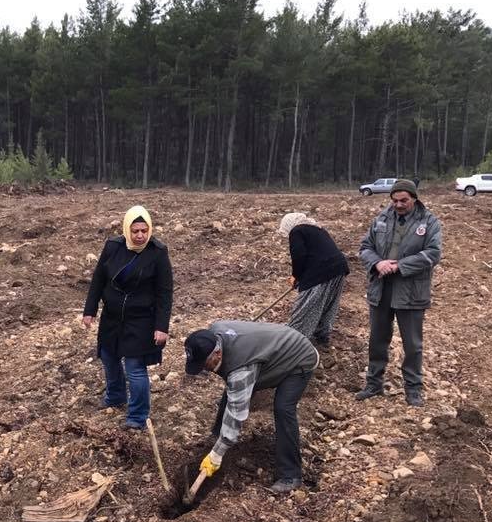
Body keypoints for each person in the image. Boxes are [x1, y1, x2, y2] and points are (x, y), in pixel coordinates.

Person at [184, 321, 318, 494]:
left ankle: (290, 475)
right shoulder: (213, 332)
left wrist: (218, 453)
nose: (204, 370)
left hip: (298, 358)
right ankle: (216, 437)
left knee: (283, 408)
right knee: (233, 390)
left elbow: (236, 413)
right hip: (268, 354)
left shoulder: (240, 369)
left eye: (204, 365)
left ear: (217, 353)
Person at [82, 205, 173, 430]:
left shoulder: (158, 252)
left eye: (144, 230)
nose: (140, 235)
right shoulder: (113, 247)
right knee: (109, 357)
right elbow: (98, 280)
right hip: (112, 316)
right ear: (127, 230)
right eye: (135, 231)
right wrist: (89, 310)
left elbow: (164, 292)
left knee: (135, 367)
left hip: (141, 319)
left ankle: (138, 416)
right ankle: (115, 397)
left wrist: (161, 326)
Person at [356, 179, 442, 407]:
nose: (399, 205)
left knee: (413, 345)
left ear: (414, 198)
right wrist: (377, 263)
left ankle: (413, 389)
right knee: (377, 340)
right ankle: (374, 384)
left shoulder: (429, 222)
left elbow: (433, 254)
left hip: (411, 291)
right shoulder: (381, 219)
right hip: (381, 289)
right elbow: (365, 248)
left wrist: (400, 266)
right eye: (394, 200)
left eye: (403, 200)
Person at [277, 212, 349, 343]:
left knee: (306, 306)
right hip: (339, 268)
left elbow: (299, 256)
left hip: (321, 271)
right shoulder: (317, 229)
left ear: (288, 225)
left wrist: (295, 276)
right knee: (328, 304)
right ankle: (321, 335)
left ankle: (294, 339)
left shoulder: (296, 231)